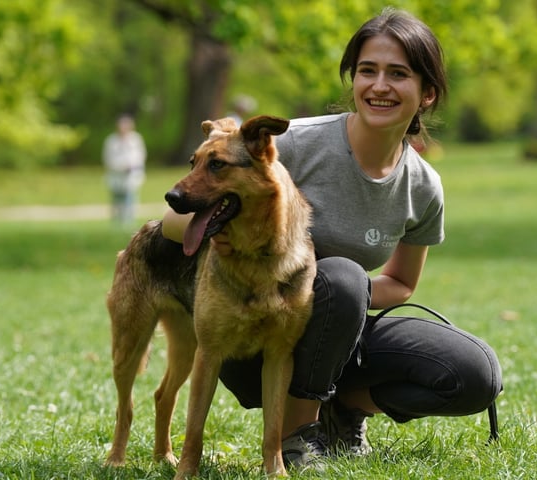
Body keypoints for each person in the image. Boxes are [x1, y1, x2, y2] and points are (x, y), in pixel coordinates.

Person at [162, 8, 502, 469]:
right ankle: (297, 438)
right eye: (368, 71)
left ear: (427, 94)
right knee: (341, 276)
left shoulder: (423, 186)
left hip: (342, 325)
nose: (379, 85)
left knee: (473, 375)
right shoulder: (295, 144)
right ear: (353, 79)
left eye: (398, 74)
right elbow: (170, 223)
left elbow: (400, 285)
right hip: (256, 330)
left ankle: (345, 411)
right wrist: (233, 241)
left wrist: (333, 297)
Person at [103, 114, 146, 225]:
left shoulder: (135, 139)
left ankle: (128, 222)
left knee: (130, 200)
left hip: (131, 176)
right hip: (116, 176)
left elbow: (140, 156)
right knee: (117, 201)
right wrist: (121, 166)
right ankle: (116, 222)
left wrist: (132, 165)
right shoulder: (112, 141)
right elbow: (108, 159)